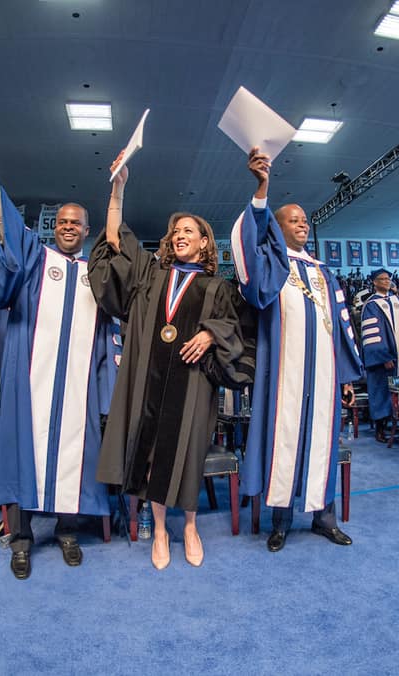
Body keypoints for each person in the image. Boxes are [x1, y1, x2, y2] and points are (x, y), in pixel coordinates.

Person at [89, 151, 252, 569]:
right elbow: (114, 239)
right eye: (175, 230)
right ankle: (160, 530)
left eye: (189, 231)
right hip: (149, 381)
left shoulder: (217, 287)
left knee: (189, 450)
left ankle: (191, 525)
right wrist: (118, 189)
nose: (179, 235)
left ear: (203, 242)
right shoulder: (151, 275)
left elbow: (236, 328)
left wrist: (209, 332)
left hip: (195, 385)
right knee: (151, 451)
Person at [0, 133, 117, 580]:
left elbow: (111, 330)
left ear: (88, 231)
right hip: (30, 381)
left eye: (77, 223)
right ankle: (23, 537)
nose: (69, 227)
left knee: (75, 454)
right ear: (55, 227)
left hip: (76, 385)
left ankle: (68, 532)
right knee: (22, 453)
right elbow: (2, 216)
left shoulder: (97, 275)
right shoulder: (33, 260)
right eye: (64, 222)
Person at [234, 148, 362, 552]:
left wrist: (344, 377)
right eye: (294, 220)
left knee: (322, 441)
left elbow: (339, 327)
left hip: (324, 378)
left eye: (306, 220)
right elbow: (251, 246)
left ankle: (324, 518)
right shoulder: (272, 269)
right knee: (285, 441)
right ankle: (281, 521)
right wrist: (262, 190)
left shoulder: (325, 274)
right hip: (285, 377)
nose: (303, 224)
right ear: (279, 226)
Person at [361, 268, 399, 442]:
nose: (386, 281)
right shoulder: (370, 305)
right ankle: (381, 429)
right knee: (381, 393)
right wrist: (384, 356)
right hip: (383, 362)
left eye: (388, 278)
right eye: (382, 279)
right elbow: (372, 334)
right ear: (375, 282)